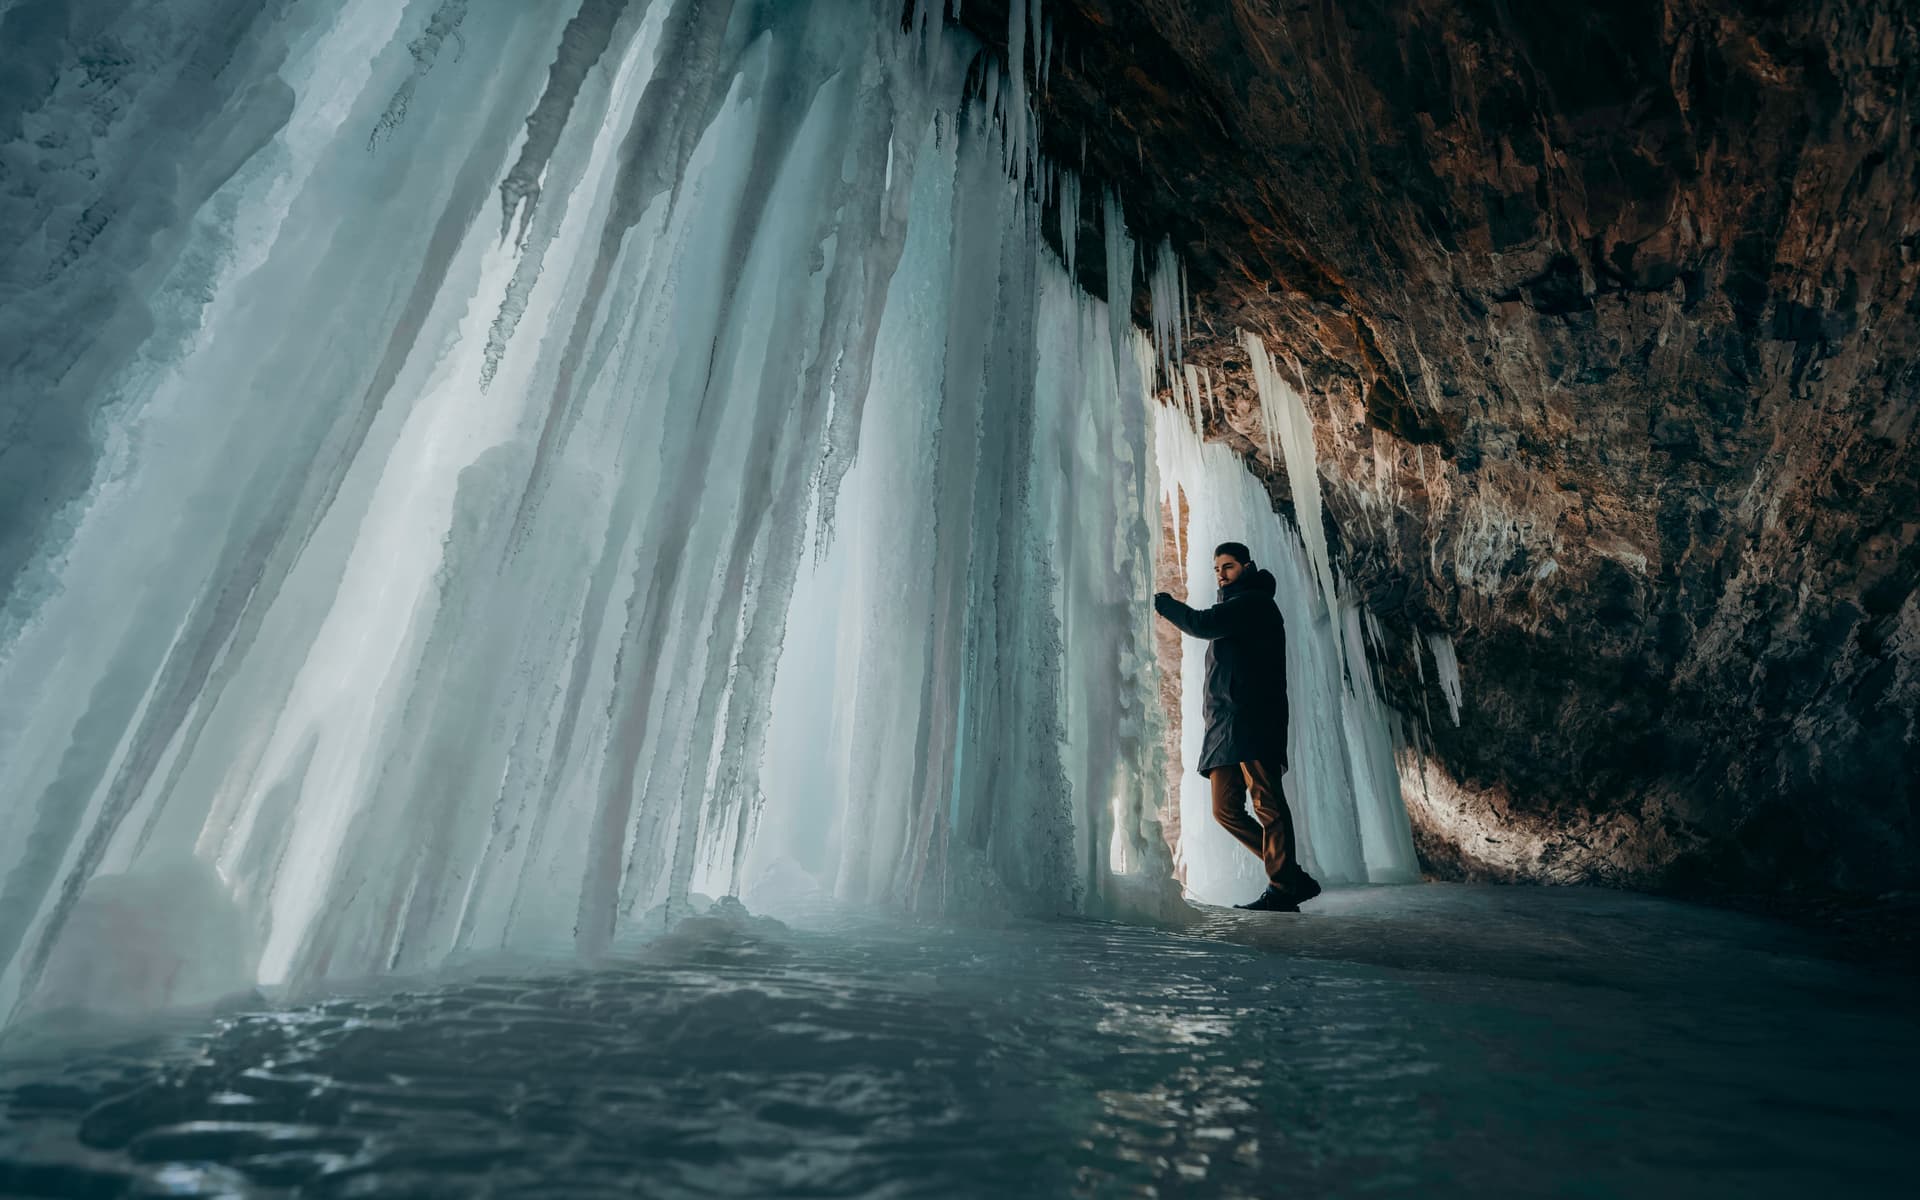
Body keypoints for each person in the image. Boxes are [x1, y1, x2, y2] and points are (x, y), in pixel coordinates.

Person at [1153, 542, 1321, 912]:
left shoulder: (1254, 603)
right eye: (1217, 568)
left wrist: (1164, 604)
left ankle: (1281, 890)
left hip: (1252, 718)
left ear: (1246, 567)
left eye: (1228, 566)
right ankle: (1290, 875)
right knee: (1224, 809)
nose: (1221, 573)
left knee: (1267, 803)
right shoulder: (1236, 607)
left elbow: (1201, 624)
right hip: (1225, 724)